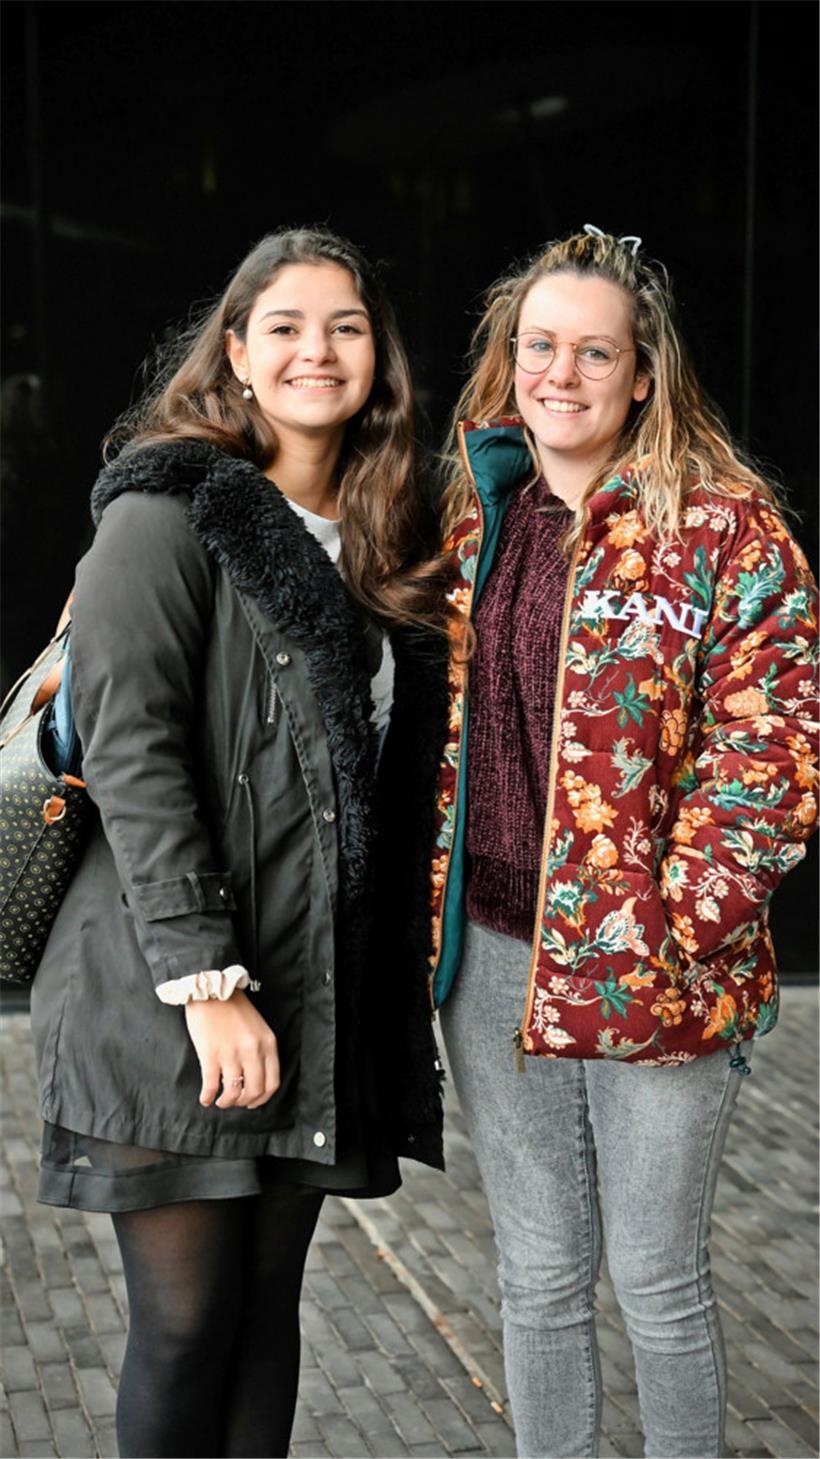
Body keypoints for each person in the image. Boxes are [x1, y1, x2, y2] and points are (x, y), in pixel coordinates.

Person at [30, 227, 450, 1459]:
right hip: (170, 993)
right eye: (286, 326)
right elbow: (132, 753)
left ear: (379, 356)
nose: (317, 351)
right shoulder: (167, 511)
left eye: (347, 327)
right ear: (236, 352)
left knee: (268, 1318)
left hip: (307, 996)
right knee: (185, 1325)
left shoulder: (382, 539)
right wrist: (206, 984)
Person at [429, 225, 819, 1458]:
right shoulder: (475, 524)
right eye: (538, 346)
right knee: (539, 1279)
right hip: (491, 953)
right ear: (509, 360)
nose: (561, 373)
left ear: (643, 372)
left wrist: (673, 922)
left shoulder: (727, 534)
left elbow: (774, 755)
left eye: (594, 352)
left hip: (657, 970)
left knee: (657, 1284)